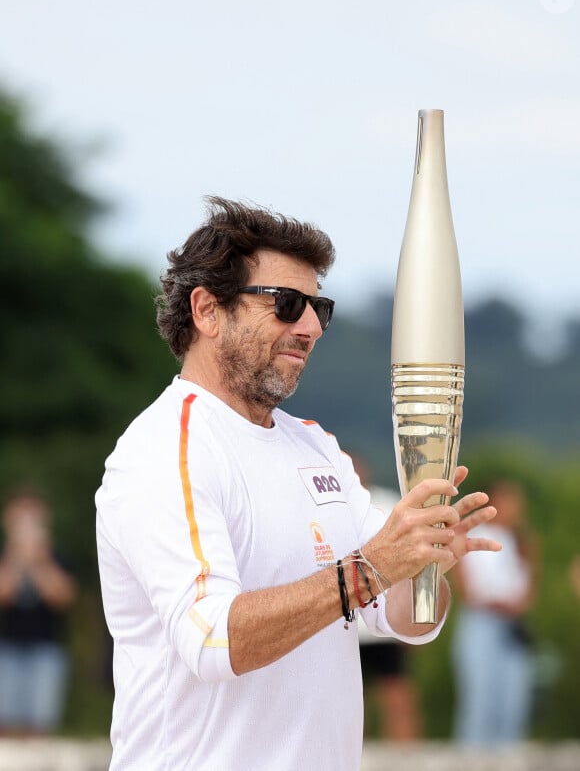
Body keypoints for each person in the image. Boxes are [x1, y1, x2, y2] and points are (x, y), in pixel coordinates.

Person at [95, 196, 500, 771]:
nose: (310, 327)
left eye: (318, 307)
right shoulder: (167, 449)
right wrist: (374, 567)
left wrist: (426, 562)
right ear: (209, 311)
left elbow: (403, 620)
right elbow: (215, 641)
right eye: (286, 304)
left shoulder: (315, 446)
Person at [451, 479, 540, 746]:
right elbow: (465, 588)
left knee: (514, 701)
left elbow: (530, 588)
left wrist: (516, 604)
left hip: (512, 626)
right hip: (481, 622)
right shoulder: (473, 537)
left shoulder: (523, 541)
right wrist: (494, 603)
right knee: (479, 700)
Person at [352, 455, 423, 742]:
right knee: (349, 700)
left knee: (397, 695)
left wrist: (413, 619)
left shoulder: (389, 504)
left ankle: (404, 756)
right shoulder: (325, 507)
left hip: (382, 622)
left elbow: (410, 563)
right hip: (341, 622)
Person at [0, 490, 77, 736]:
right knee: (6, 726)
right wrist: (16, 558)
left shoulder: (56, 556)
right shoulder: (5, 556)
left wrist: (39, 562)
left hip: (47, 650)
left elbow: (63, 597)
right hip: (7, 649)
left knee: (41, 727)